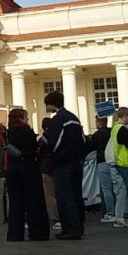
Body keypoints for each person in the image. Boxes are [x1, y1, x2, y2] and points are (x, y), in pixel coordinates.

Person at [43, 91, 86, 240]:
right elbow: (82, 140)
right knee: (76, 195)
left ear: (51, 104)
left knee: (64, 197)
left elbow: (54, 143)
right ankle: (79, 225)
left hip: (62, 164)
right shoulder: (73, 118)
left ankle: (70, 228)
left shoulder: (58, 120)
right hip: (76, 163)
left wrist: (49, 154)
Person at [4, 108, 50, 241]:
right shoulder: (27, 132)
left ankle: (14, 234)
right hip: (28, 169)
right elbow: (33, 151)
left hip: (13, 170)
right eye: (26, 116)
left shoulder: (9, 133)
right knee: (34, 201)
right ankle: (37, 232)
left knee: (16, 202)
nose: (28, 119)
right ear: (20, 118)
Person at [89, 116, 118, 223]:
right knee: (116, 187)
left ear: (99, 122)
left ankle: (110, 213)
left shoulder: (97, 135)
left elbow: (91, 147)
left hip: (102, 161)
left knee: (106, 189)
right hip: (114, 160)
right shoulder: (112, 132)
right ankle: (117, 211)